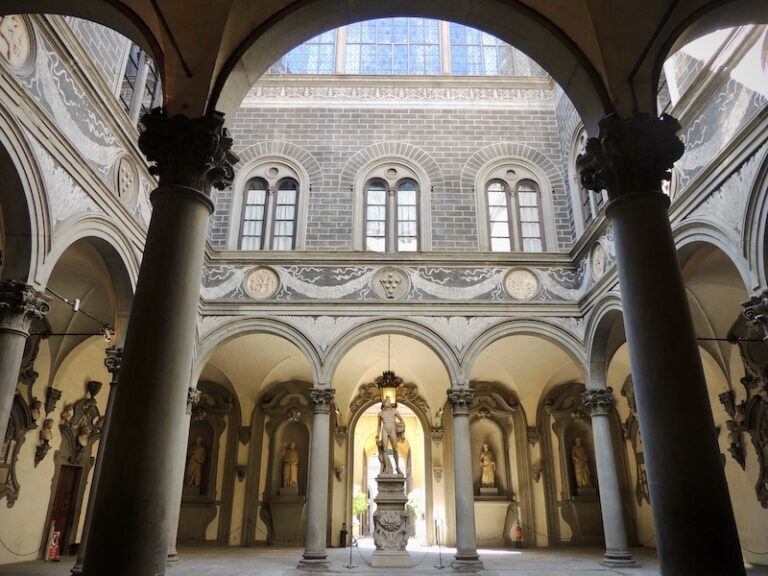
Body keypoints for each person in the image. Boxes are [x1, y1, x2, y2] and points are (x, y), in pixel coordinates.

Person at [376, 396, 405, 475]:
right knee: (385, 449)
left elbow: (402, 420)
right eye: (386, 401)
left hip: (392, 429)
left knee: (395, 449)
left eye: (389, 401)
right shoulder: (380, 413)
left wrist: (399, 427)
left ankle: (397, 467)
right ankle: (387, 469)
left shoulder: (394, 411)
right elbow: (379, 425)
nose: (388, 402)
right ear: (384, 403)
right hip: (384, 429)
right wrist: (377, 435)